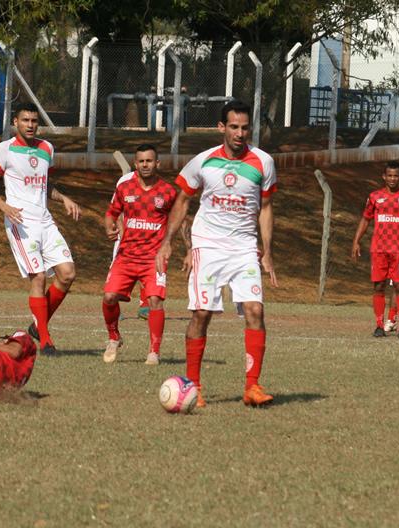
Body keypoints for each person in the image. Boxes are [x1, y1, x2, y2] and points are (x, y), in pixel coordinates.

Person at [155, 100, 278, 408]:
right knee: (202, 313)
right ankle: (193, 386)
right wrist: (168, 241)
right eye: (234, 127)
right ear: (222, 127)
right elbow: (183, 201)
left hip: (244, 248)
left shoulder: (264, 162)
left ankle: (252, 386)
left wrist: (267, 251)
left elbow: (265, 208)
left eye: (245, 128)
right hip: (208, 245)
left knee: (255, 311)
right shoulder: (203, 161)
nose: (240, 133)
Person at [0, 102, 81, 356]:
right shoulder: (4, 150)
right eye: (25, 120)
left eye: (34, 121)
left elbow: (46, 185)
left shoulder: (47, 148)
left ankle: (38, 326)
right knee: (38, 277)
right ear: (15, 122)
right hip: (20, 223)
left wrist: (65, 198)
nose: (30, 125)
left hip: (45, 221)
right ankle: (46, 341)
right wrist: (5, 208)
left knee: (67, 274)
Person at [102, 144, 177, 364]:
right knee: (109, 297)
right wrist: (109, 227)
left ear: (157, 163)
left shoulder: (168, 191)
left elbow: (178, 220)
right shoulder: (125, 188)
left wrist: (179, 245)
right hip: (126, 255)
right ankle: (114, 337)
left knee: (154, 301)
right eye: (141, 161)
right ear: (135, 164)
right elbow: (111, 213)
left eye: (149, 161)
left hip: (154, 258)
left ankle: (154, 352)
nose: (145, 165)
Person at [351, 161, 399, 339]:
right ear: (384, 176)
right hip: (379, 249)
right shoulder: (374, 197)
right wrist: (356, 241)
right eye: (390, 175)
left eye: (396, 176)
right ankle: (379, 326)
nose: (393, 179)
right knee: (379, 286)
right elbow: (365, 219)